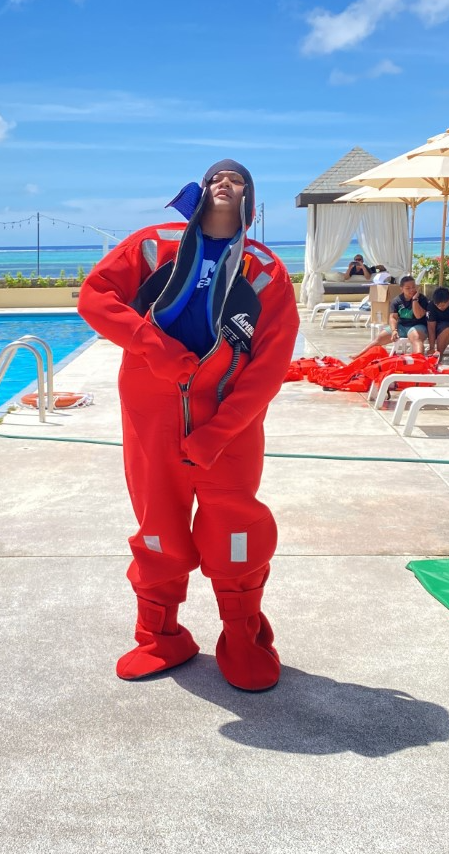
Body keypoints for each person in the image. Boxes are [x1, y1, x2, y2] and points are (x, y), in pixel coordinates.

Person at [78, 159, 298, 692]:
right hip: (153, 416)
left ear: (249, 197)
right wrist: (156, 350)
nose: (225, 184)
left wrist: (218, 433)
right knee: (159, 529)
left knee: (235, 530)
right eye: (216, 179)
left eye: (237, 180)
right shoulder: (154, 243)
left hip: (229, 424)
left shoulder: (265, 269)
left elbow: (270, 364)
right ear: (202, 191)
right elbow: (94, 297)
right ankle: (160, 636)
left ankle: (242, 637)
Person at [375, 275, 429, 353]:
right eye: (408, 288)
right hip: (402, 326)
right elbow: (393, 317)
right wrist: (394, 330)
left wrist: (415, 300)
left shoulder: (422, 299)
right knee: (379, 338)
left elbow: (418, 315)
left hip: (418, 325)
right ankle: (359, 356)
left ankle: (418, 360)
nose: (412, 290)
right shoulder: (396, 301)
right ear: (401, 289)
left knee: (416, 338)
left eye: (413, 287)